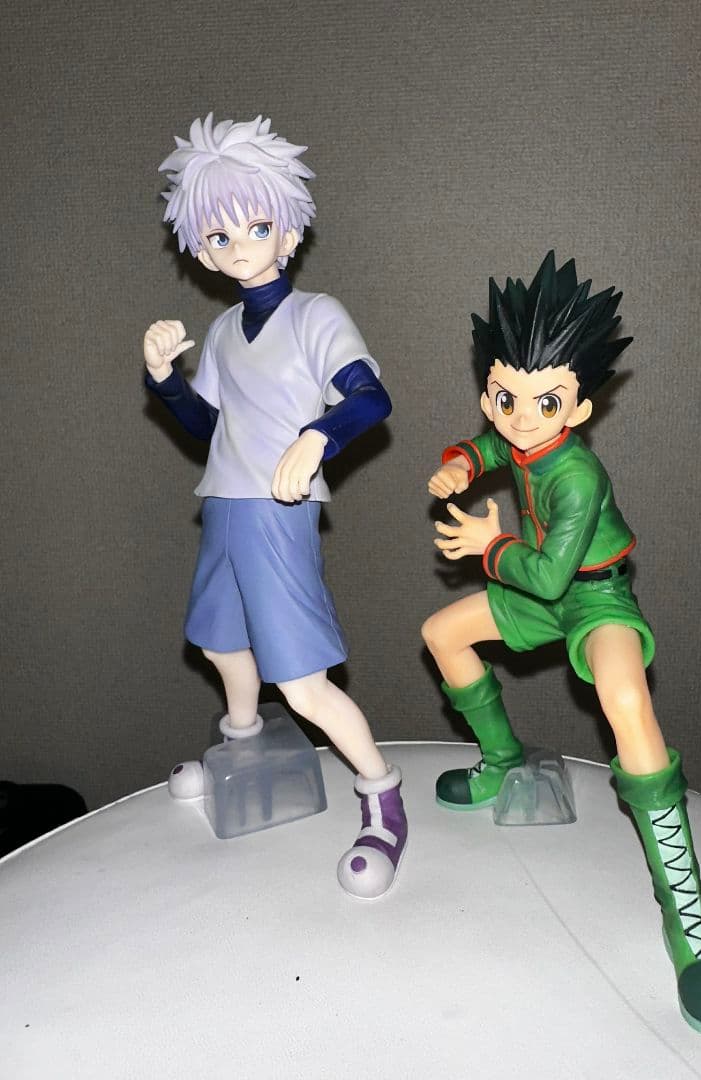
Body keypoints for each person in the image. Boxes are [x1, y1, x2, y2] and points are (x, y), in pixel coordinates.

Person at [421, 251, 701, 1039]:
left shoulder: (578, 478)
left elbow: (545, 574)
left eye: (545, 402)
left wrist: (489, 545)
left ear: (578, 408)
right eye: (506, 397)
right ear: (489, 395)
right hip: (538, 587)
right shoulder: (517, 432)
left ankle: (691, 924)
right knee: (442, 633)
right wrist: (463, 461)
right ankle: (501, 761)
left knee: (626, 698)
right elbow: (498, 447)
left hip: (590, 595)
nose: (521, 416)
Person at [143, 114, 406, 900]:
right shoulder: (224, 329)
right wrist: (164, 380)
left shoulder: (316, 316)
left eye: (257, 227)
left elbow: (371, 398)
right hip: (224, 506)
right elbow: (206, 427)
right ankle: (243, 742)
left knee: (302, 681)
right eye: (220, 235)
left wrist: (318, 437)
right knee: (221, 644)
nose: (240, 245)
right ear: (202, 251)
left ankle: (383, 798)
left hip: (277, 514)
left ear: (288, 234)